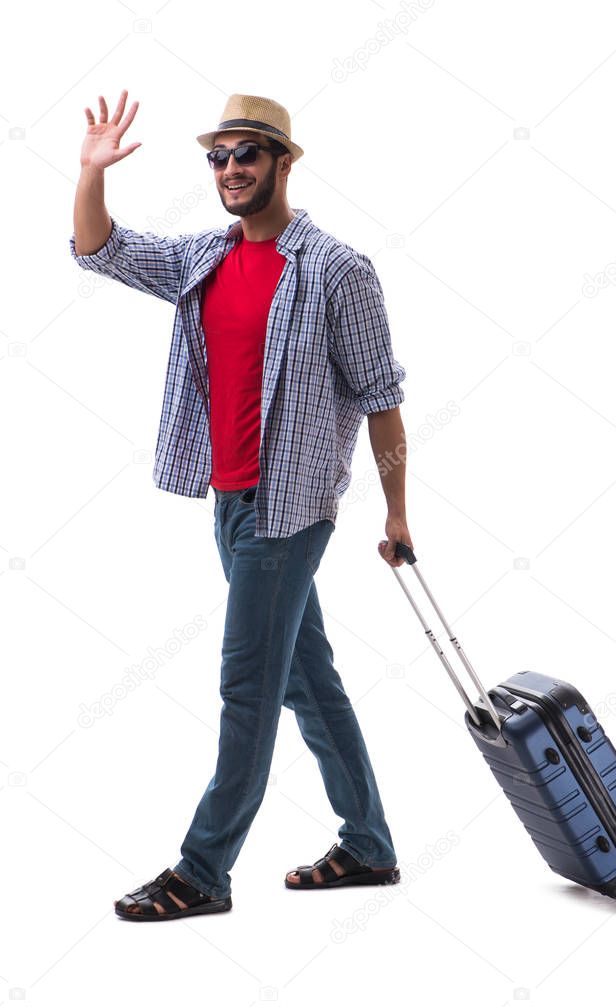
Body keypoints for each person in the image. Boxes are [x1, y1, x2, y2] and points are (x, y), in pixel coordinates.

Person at [70, 90, 413, 922]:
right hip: (226, 500)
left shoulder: (336, 269)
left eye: (246, 154)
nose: (230, 170)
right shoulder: (205, 257)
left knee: (246, 687)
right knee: (305, 677)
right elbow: (100, 251)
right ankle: (368, 844)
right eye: (217, 158)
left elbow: (381, 397)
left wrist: (397, 513)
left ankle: (202, 870)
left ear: (283, 162)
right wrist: (90, 174)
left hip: (288, 510)